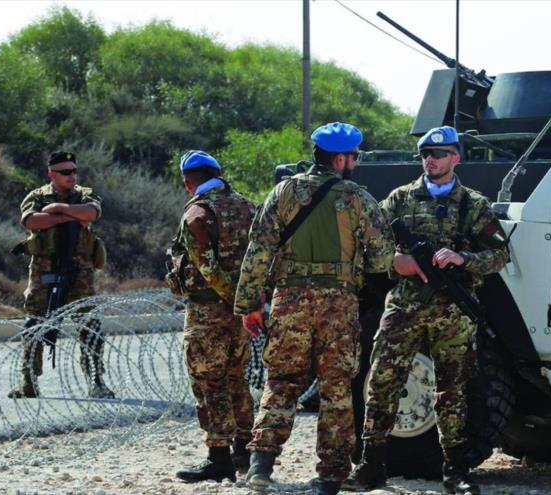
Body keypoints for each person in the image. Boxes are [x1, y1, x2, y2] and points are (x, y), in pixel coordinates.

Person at [344, 126, 510, 495]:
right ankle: (371, 464)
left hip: (452, 312)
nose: (431, 160)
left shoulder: (474, 205)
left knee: (453, 392)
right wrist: (396, 261)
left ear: (456, 158)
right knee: (383, 383)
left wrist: (462, 258)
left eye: (440, 153)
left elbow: (500, 254)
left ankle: (455, 470)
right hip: (404, 306)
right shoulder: (399, 200)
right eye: (426, 153)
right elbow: (367, 246)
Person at [234, 122, 394, 495]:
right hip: (338, 304)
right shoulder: (357, 198)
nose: (355, 163)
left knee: (282, 382)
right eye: (353, 157)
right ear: (340, 158)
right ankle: (330, 478)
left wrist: (249, 304)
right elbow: (382, 257)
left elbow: (258, 250)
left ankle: (260, 467)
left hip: (289, 301)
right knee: (336, 389)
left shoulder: (283, 191)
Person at [167, 150, 258, 483]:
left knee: (210, 382)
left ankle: (219, 457)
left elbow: (207, 268)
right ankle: (245, 451)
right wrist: (247, 301)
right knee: (236, 378)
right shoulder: (248, 206)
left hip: (208, 311)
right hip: (243, 312)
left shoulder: (197, 213)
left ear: (188, 182)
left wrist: (232, 296)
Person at [8, 151, 113, 400]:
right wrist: (69, 217)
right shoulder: (37, 196)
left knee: (90, 326)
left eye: (74, 170)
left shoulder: (85, 194)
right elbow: (32, 221)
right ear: (51, 174)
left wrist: (59, 209)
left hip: (80, 271)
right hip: (44, 268)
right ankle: (29, 383)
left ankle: (96, 381)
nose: (72, 176)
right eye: (65, 172)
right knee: (34, 325)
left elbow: (92, 213)